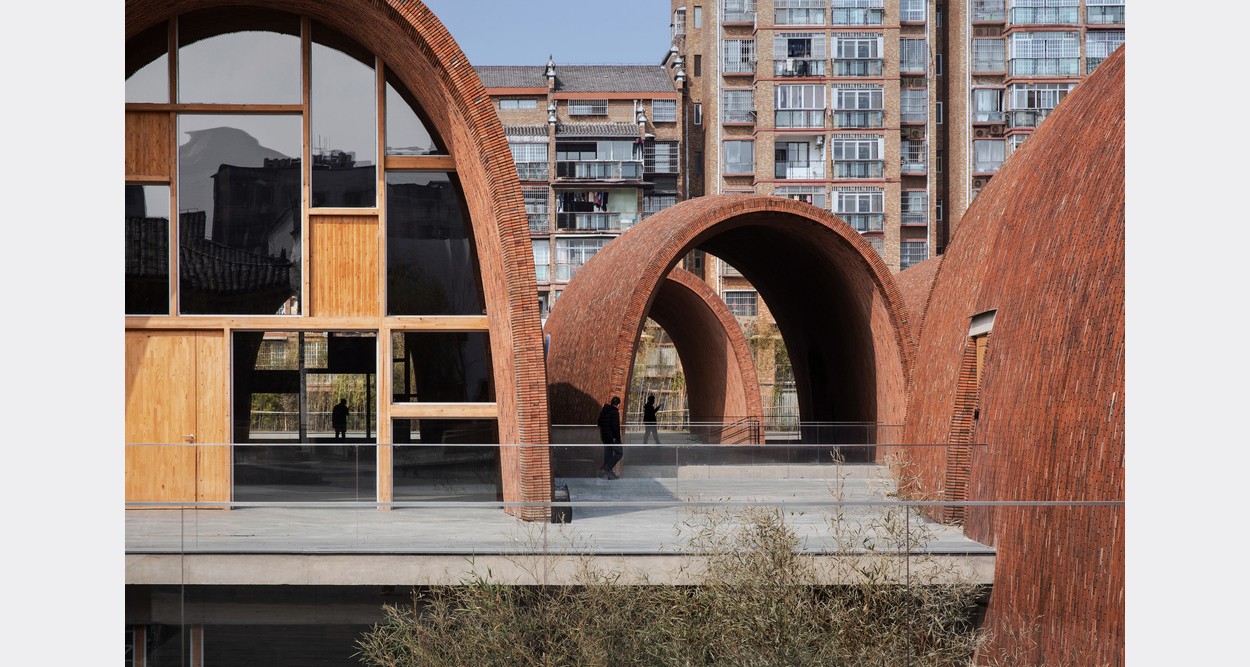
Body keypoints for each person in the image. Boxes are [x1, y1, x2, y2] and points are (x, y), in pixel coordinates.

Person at [597, 396, 623, 479]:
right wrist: (618, 438)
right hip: (612, 438)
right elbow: (615, 427)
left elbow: (599, 423)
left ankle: (607, 474)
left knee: (608, 454)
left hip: (605, 437)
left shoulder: (604, 410)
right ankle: (607, 468)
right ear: (618, 404)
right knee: (619, 453)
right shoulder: (614, 412)